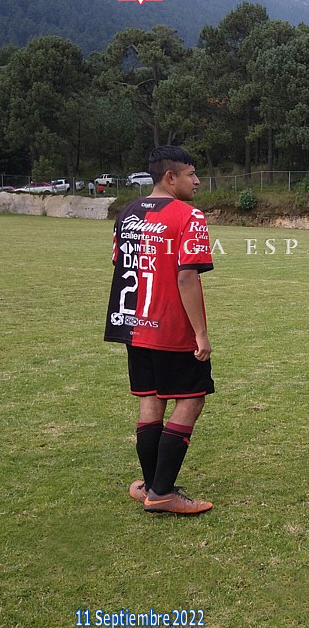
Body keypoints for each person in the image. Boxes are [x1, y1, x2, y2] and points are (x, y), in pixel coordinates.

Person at [104, 145, 215, 514]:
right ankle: (163, 492)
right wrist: (200, 333)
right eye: (191, 174)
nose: (197, 181)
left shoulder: (128, 212)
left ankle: (151, 487)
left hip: (133, 324)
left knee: (151, 400)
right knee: (192, 399)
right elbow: (186, 276)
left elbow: (121, 263)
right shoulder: (190, 216)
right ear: (171, 177)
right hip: (170, 327)